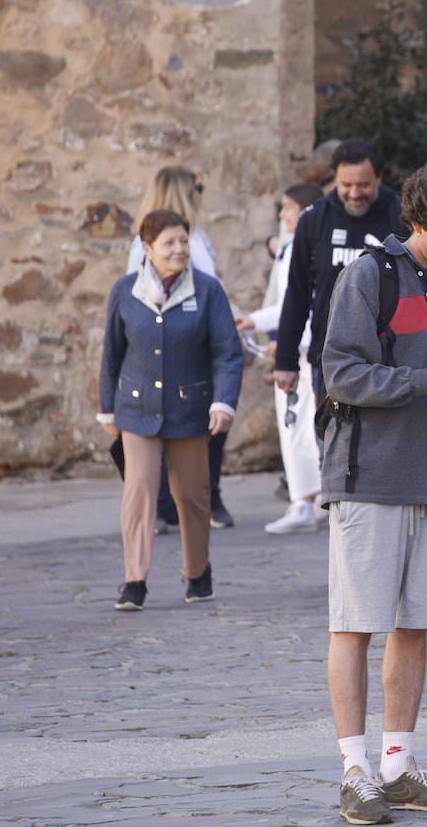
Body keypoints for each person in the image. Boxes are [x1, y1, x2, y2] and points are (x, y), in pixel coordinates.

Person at [319, 159, 427, 826]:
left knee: (415, 624)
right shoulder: (369, 275)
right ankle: (354, 769)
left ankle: (398, 762)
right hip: (370, 477)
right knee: (356, 623)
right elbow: (342, 373)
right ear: (417, 221)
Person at [99, 210, 243, 611]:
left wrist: (223, 402)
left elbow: (228, 354)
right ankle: (134, 581)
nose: (179, 249)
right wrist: (107, 408)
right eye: (169, 243)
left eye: (183, 241)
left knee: (192, 494)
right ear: (147, 249)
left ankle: (197, 572)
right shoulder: (125, 290)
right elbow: (111, 353)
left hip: (190, 408)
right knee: (139, 490)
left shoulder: (209, 290)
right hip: (135, 407)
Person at [124, 166, 233, 531]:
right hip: (171, 348)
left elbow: (212, 290)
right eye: (198, 187)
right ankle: (167, 504)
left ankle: (199, 500)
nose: (202, 193)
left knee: (206, 430)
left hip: (201, 344)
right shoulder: (150, 244)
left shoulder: (196, 237)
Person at [274, 139, 406, 403]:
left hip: (388, 362)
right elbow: (297, 292)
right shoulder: (315, 219)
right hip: (328, 360)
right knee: (329, 442)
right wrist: (285, 360)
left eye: (364, 185)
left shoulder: (401, 216)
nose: (355, 193)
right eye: (346, 185)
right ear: (335, 179)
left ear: (379, 178)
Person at [236, 183, 325, 534]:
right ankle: (301, 498)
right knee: (293, 429)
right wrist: (255, 321)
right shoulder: (289, 250)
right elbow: (288, 306)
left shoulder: (317, 249)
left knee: (313, 427)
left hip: (312, 353)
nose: (281, 215)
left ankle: (316, 499)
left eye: (288, 208)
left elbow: (315, 306)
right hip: (296, 352)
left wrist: (288, 342)